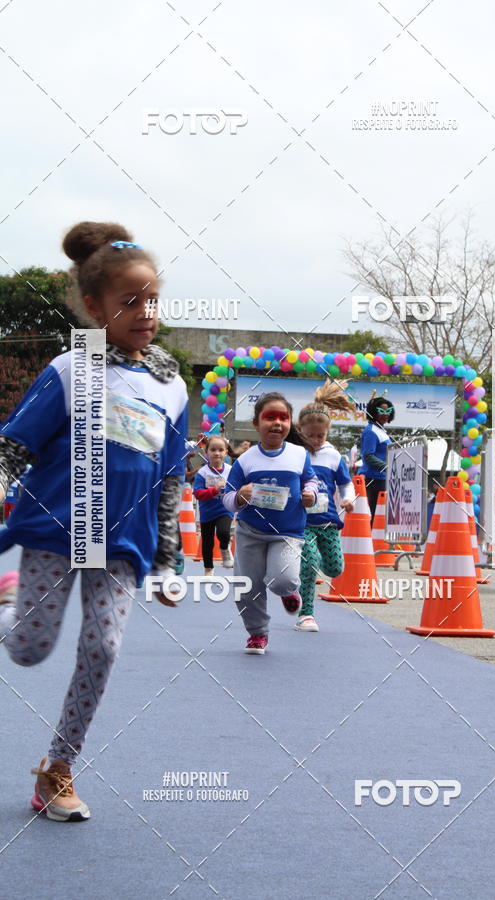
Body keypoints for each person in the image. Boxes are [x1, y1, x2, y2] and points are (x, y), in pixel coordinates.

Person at [0, 221, 188, 822]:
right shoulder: (70, 369)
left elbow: (171, 475)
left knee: (103, 647)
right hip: (60, 527)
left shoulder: (174, 387)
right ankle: (9, 604)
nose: (146, 311)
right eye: (130, 300)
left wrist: (169, 559)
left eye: (153, 299)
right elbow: (14, 447)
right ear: (93, 306)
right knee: (28, 650)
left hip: (125, 542)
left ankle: (58, 767)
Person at [222, 392, 318, 654]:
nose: (277, 423)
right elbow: (227, 499)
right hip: (250, 533)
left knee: (282, 580)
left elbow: (311, 481)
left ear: (290, 424)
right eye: (270, 417)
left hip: (287, 533)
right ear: (256, 423)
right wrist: (240, 497)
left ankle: (288, 591)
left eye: (283, 418)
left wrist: (311, 495)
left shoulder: (299, 455)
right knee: (247, 588)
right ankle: (257, 634)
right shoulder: (245, 460)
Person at [296, 380, 356, 632]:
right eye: (310, 436)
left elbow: (346, 484)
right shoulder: (295, 454)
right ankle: (305, 614)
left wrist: (348, 499)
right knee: (310, 563)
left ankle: (306, 565)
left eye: (321, 435)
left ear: (328, 432)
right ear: (300, 431)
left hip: (329, 521)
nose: (316, 440)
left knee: (335, 568)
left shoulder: (333, 456)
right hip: (302, 522)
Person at [193, 434, 234, 574]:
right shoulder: (202, 472)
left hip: (224, 509)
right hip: (207, 512)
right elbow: (197, 493)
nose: (217, 453)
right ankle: (208, 568)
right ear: (207, 452)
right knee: (207, 542)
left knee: (224, 532)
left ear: (226, 453)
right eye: (213, 450)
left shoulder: (231, 470)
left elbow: (236, 488)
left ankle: (224, 548)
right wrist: (214, 490)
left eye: (221, 450)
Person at [359, 395, 395, 524]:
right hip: (373, 479)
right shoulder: (371, 431)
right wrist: (388, 467)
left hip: (382, 478)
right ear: (373, 412)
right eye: (381, 411)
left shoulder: (381, 430)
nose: (385, 414)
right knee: (373, 515)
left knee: (380, 515)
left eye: (388, 411)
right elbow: (368, 455)